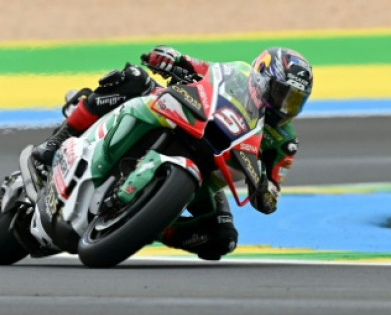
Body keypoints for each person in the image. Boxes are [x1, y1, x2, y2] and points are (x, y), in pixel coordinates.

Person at [30, 46, 313, 260]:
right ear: (262, 78)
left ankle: (150, 224)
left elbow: (273, 191)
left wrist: (266, 192)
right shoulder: (238, 76)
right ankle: (59, 139)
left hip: (207, 174)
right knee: (133, 78)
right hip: (185, 116)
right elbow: (202, 68)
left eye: (295, 101)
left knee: (221, 239)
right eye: (281, 93)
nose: (285, 106)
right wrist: (172, 59)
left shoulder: (284, 141)